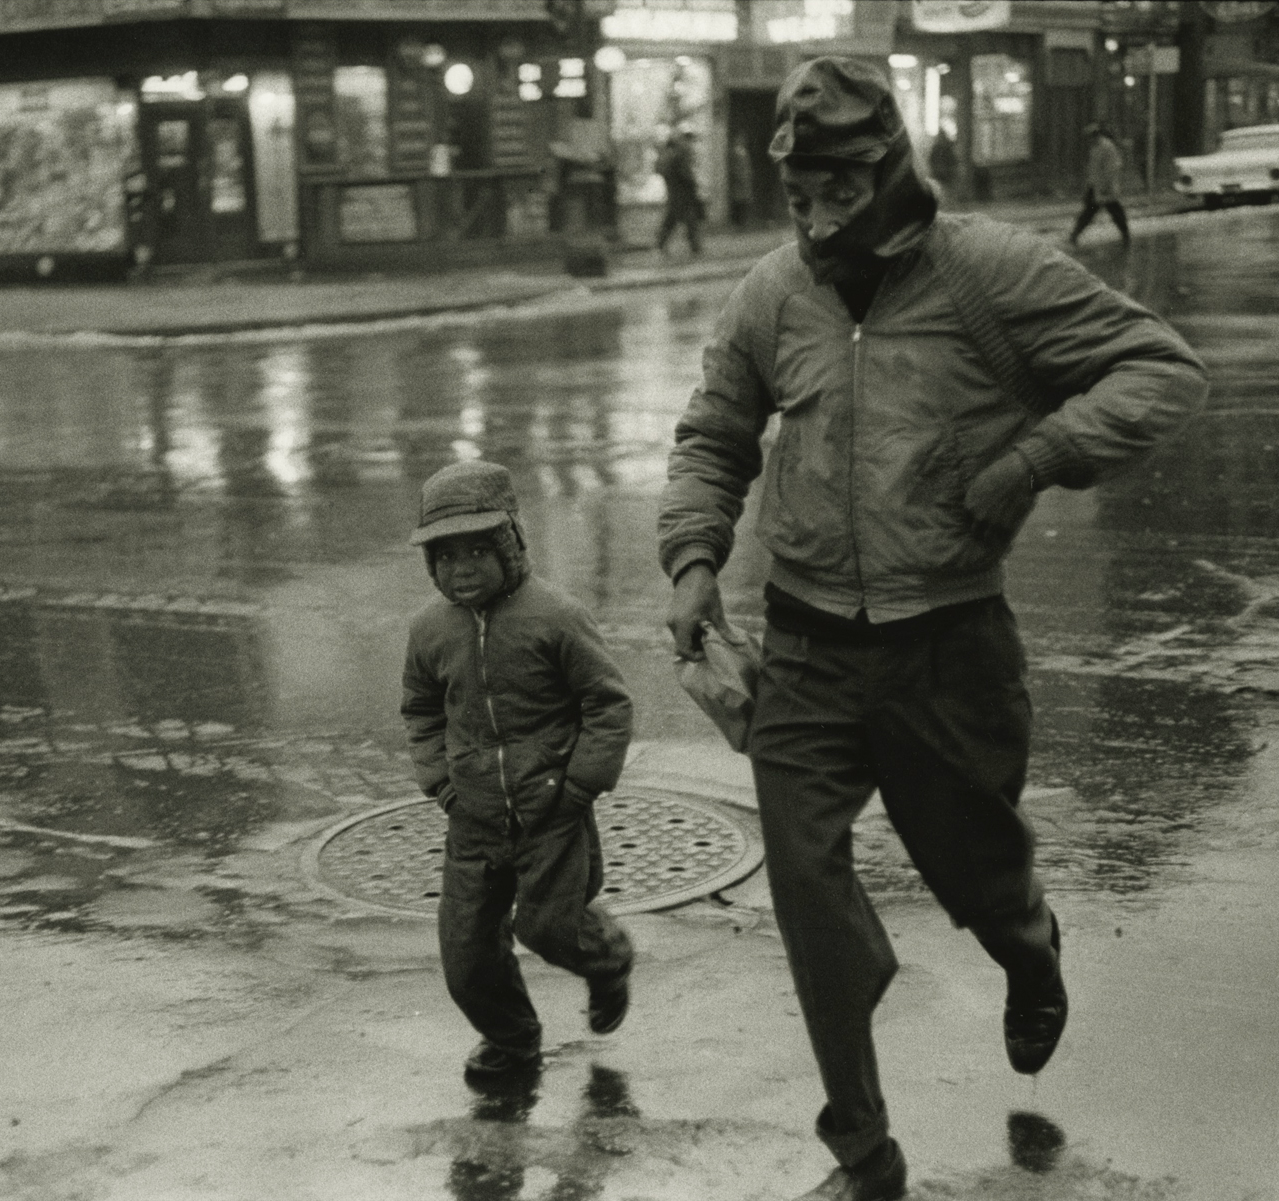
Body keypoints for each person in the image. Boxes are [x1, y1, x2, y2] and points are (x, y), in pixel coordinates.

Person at [658, 57, 1207, 1201]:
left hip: (948, 648)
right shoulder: (771, 294)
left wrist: (1033, 462)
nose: (812, 219)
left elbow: (1160, 369)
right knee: (806, 889)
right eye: (795, 192)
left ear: (890, 171)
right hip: (803, 648)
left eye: (835, 191)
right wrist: (695, 556)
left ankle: (1026, 943)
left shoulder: (990, 276)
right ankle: (863, 1147)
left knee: (974, 865)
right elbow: (715, 433)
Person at [402, 459, 636, 1083]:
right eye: (446, 556)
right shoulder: (429, 631)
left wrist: (581, 783)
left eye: (479, 549)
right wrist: (442, 782)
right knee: (465, 955)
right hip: (473, 819)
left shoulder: (555, 616)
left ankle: (606, 960)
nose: (463, 568)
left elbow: (606, 702)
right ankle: (512, 1039)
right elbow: (422, 710)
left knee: (550, 927)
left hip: (551, 811)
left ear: (510, 542)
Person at [1070, 123, 1130, 247]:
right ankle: (1075, 235)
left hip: (1106, 187)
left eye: (1090, 137)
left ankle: (1125, 235)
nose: (1088, 140)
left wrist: (1104, 185)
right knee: (1092, 211)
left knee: (1113, 211)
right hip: (1097, 185)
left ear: (1096, 135)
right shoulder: (1096, 147)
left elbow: (1112, 167)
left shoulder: (1107, 146)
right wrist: (1090, 184)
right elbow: (1094, 168)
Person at [656, 127, 704, 255]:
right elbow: (685, 173)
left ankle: (661, 242)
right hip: (683, 193)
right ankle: (695, 247)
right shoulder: (680, 153)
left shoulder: (670, 154)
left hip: (675, 192)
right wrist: (693, 184)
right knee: (689, 219)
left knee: (672, 219)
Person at [728, 138, 755, 227]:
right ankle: (740, 221)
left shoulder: (741, 152)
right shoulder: (739, 152)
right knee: (741, 201)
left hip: (742, 179)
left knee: (742, 200)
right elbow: (738, 167)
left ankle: (741, 221)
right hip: (741, 180)